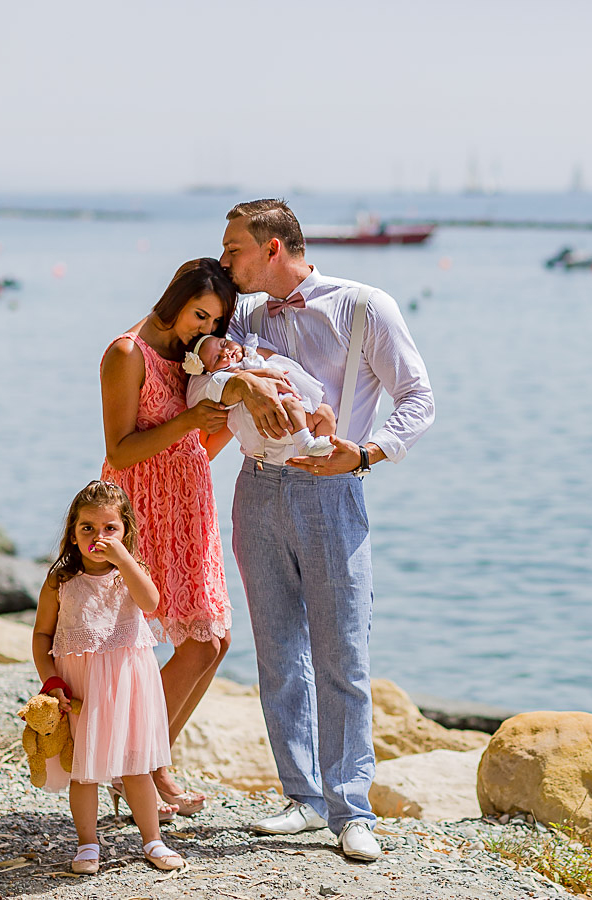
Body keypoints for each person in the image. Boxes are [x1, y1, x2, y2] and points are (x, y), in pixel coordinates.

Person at [197, 198, 434, 862]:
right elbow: (194, 365)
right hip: (255, 489)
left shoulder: (364, 306)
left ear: (272, 248)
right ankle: (302, 800)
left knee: (343, 657)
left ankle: (351, 810)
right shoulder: (238, 312)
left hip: (333, 493)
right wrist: (235, 382)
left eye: (234, 249)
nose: (225, 261)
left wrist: (365, 453)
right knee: (277, 655)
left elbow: (419, 398)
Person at [99, 258, 288, 818]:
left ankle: (150, 766)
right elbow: (120, 451)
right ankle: (138, 767)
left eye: (215, 321)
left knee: (216, 641)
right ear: (175, 297)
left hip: (189, 501)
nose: (204, 328)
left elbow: (195, 447)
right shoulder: (126, 352)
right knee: (198, 642)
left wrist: (226, 416)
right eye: (198, 314)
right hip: (143, 507)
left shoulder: (192, 356)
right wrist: (188, 423)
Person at [30, 480, 185, 874]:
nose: (99, 537)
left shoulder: (130, 574)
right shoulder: (61, 581)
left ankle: (152, 839)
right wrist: (51, 682)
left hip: (129, 683)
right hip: (80, 686)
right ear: (72, 533)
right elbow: (42, 635)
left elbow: (151, 602)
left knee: (136, 765)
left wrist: (124, 560)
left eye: (110, 529)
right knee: (84, 768)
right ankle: (87, 843)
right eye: (88, 529)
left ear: (125, 531)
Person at [185, 333, 335, 458]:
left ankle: (322, 451)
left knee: (326, 413)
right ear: (212, 371)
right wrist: (266, 372)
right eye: (218, 358)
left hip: (296, 402)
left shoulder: (250, 349)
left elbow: (274, 357)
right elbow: (243, 377)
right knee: (291, 405)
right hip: (277, 411)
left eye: (224, 344)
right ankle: (305, 444)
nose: (225, 352)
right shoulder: (231, 372)